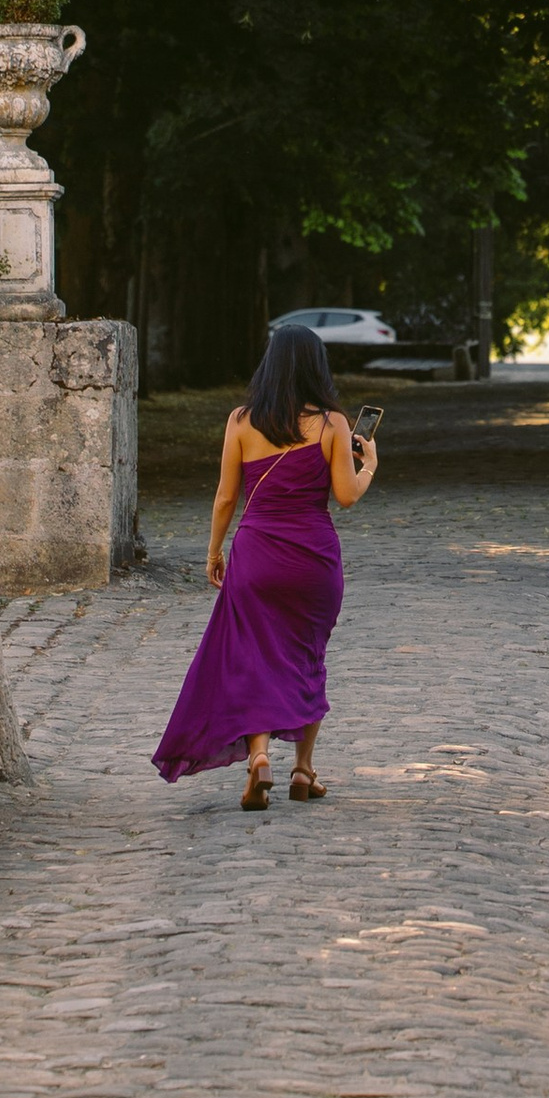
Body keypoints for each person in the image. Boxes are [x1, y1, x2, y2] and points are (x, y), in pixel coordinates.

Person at [153, 319, 379, 805]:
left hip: (255, 556)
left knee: (252, 657)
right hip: (313, 561)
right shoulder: (333, 424)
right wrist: (369, 467)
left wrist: (215, 552)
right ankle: (303, 769)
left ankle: (258, 758)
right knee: (307, 656)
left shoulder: (240, 421)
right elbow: (345, 495)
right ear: (317, 369)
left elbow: (224, 497)